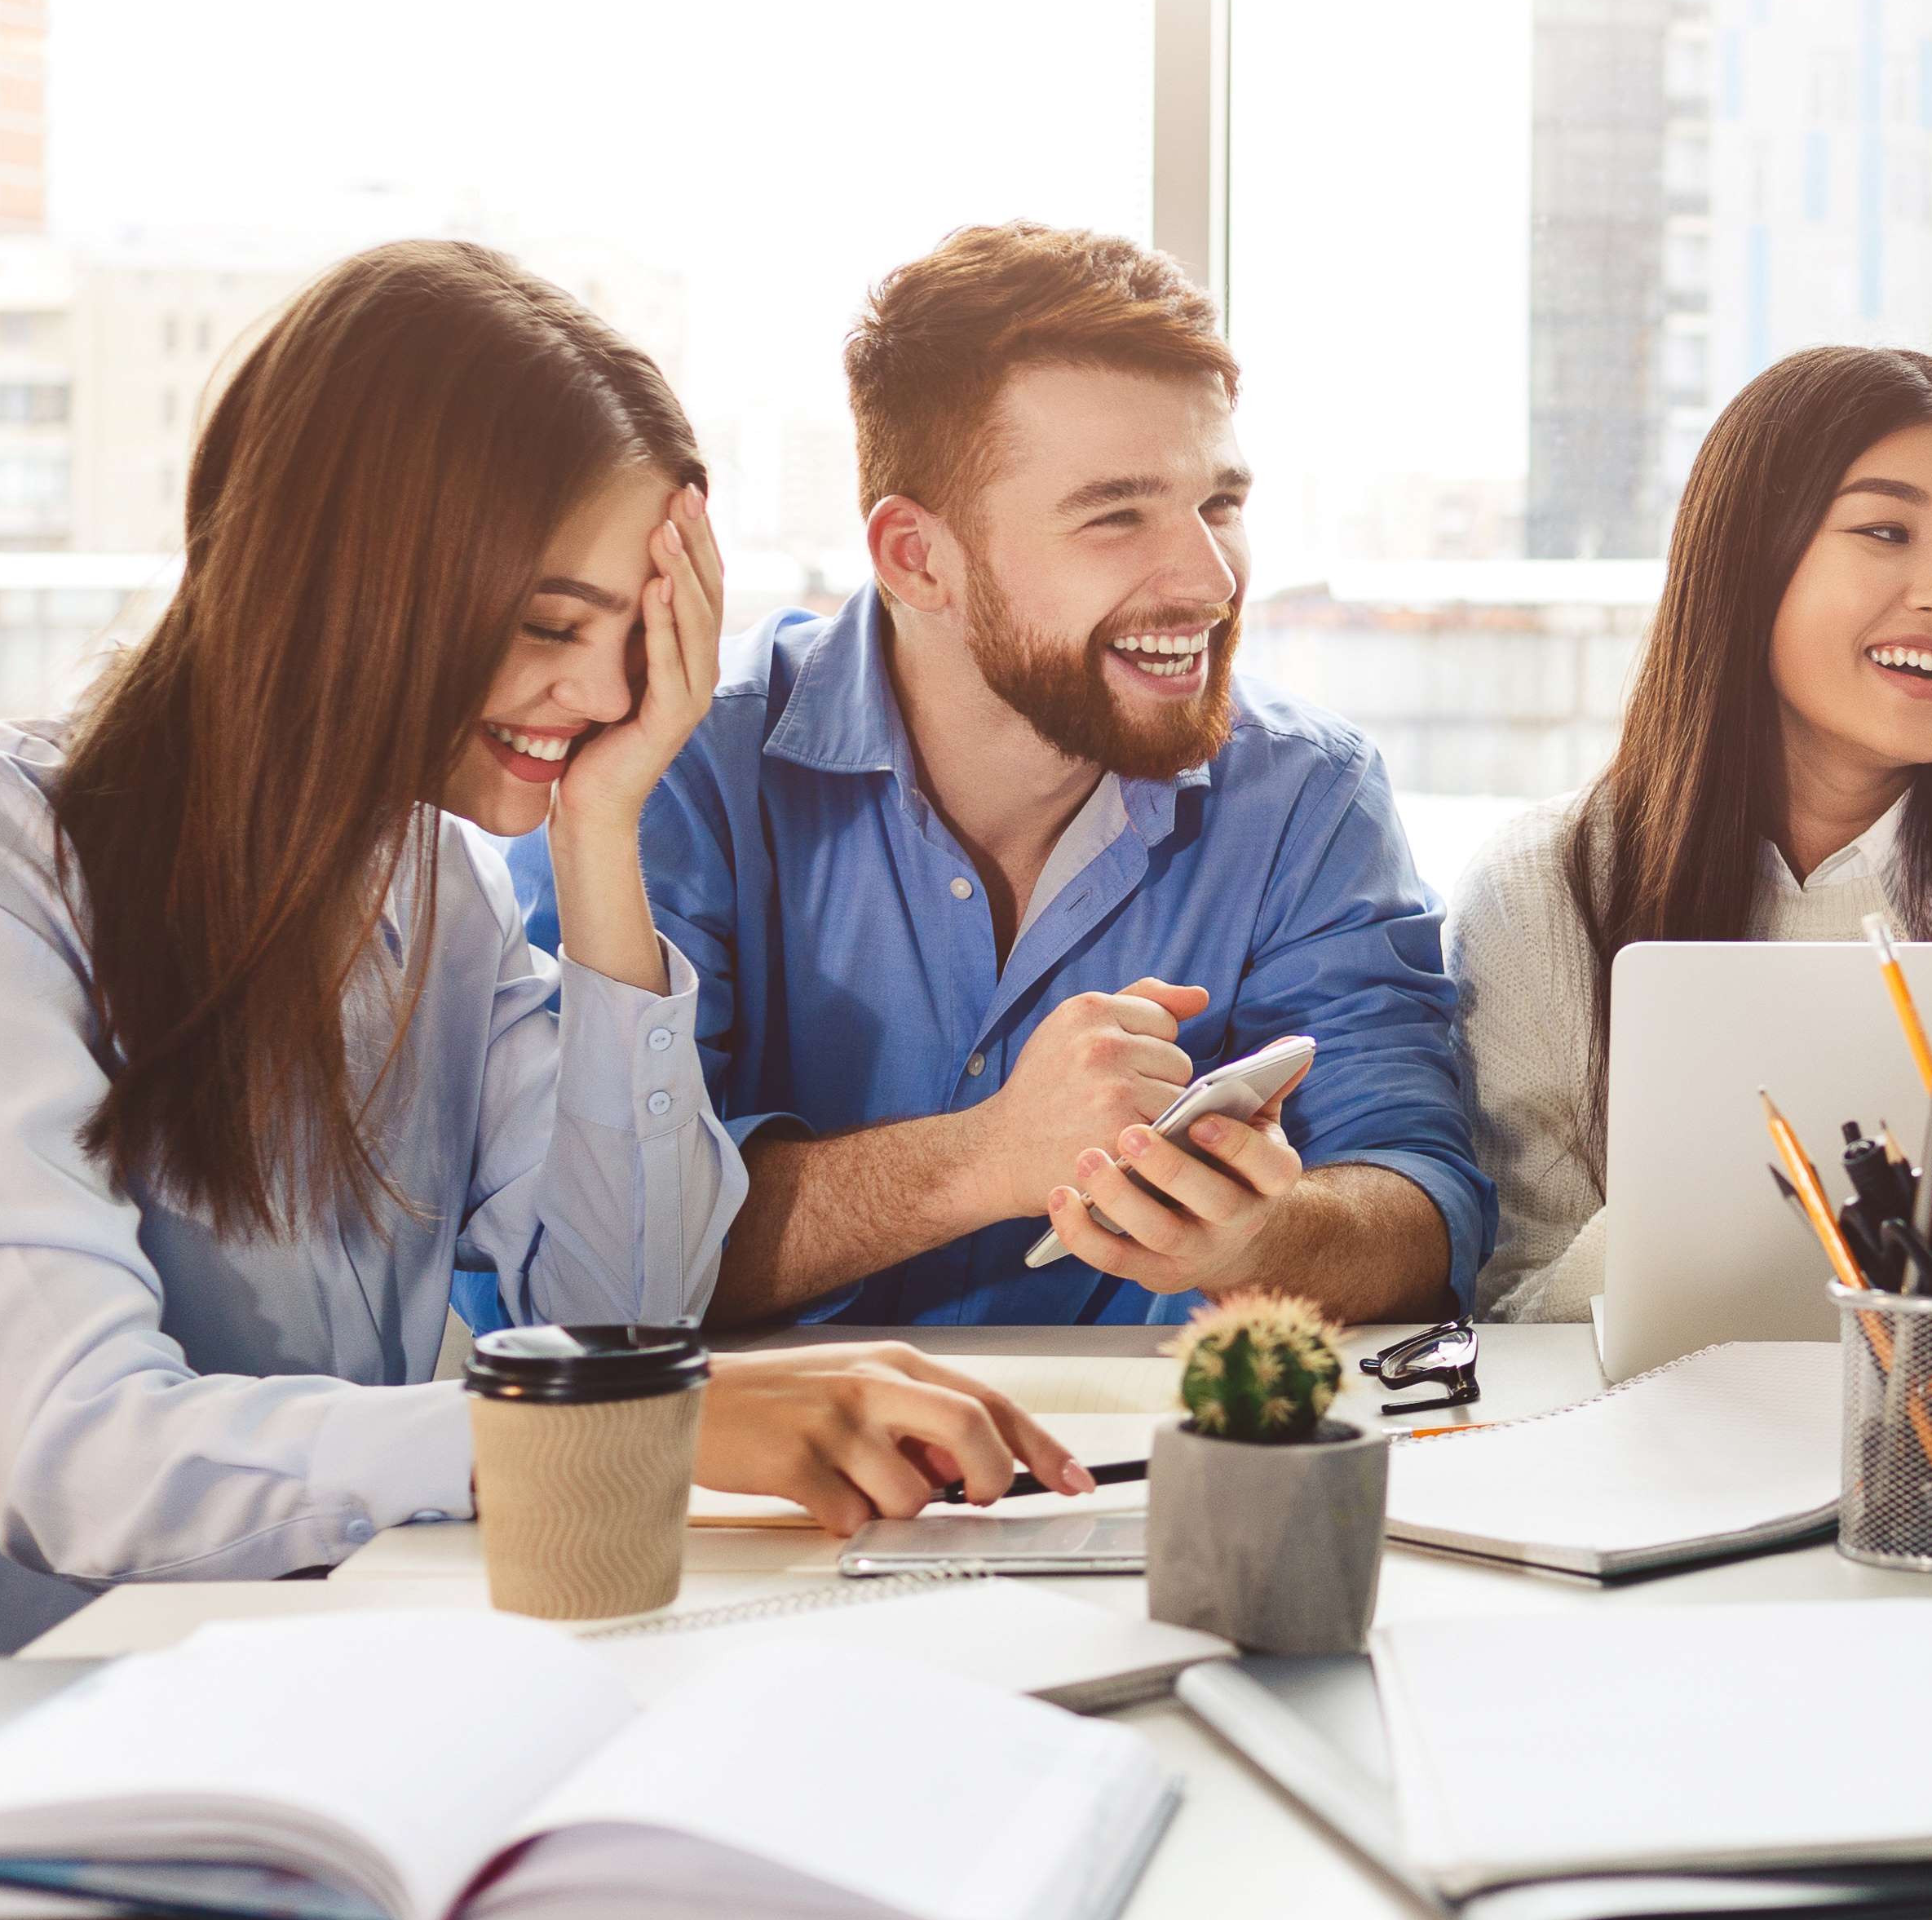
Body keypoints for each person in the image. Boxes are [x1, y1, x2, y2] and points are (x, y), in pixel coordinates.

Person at [0, 245, 1079, 1789]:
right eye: (553, 624)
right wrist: (641, 1428)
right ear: (353, 581)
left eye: (637, 631)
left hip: (209, 1727)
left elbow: (624, 1305)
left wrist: (602, 831)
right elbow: (80, 1461)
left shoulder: (440, 885)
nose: (605, 687)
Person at [515, 225, 1487, 1329]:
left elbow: (1428, 1204)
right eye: (1116, 515)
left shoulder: (1305, 797)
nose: (1211, 580)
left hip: (1148, 1478)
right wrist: (983, 1158)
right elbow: (568, 1270)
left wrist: (1265, 1235)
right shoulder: (677, 776)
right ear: (916, 558)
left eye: (1219, 503)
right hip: (754, 1491)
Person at [1451, 347, 1932, 1319]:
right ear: (1747, 563)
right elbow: (1509, 1311)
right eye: (1887, 530)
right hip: (1654, 1455)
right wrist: (1710, 1213)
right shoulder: (1542, 893)